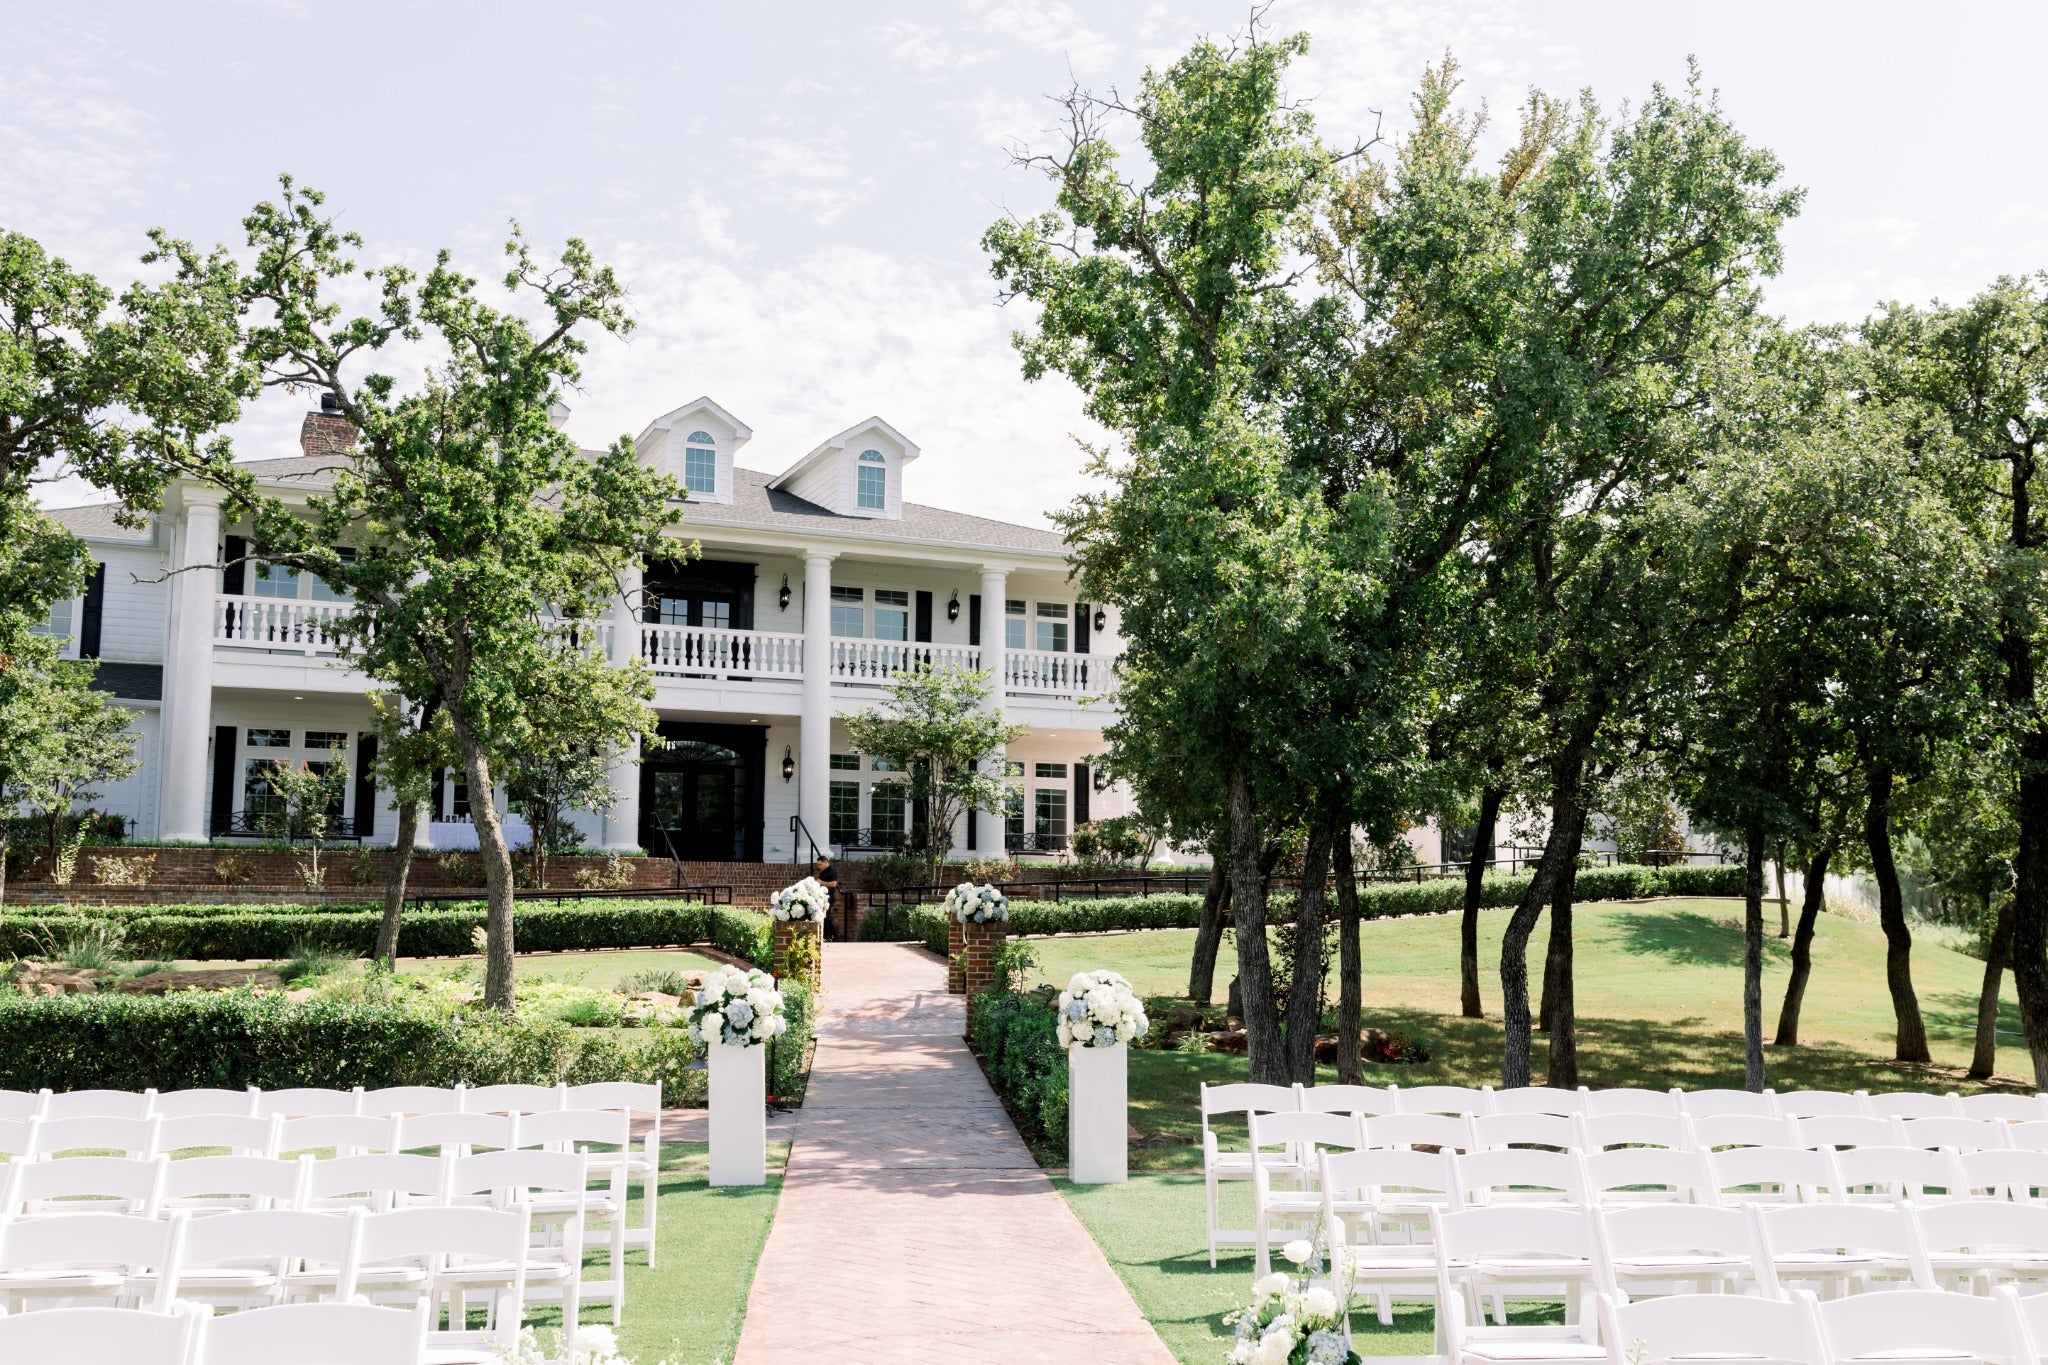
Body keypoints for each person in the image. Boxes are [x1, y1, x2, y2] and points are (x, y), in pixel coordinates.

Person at [813, 853, 841, 938]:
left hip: (829, 897)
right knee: (825, 916)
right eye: (818, 865)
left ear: (825, 862)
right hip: (822, 897)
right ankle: (831, 936)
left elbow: (833, 884)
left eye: (820, 864)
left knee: (826, 916)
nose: (819, 867)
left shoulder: (832, 871)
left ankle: (828, 936)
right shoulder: (823, 871)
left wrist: (822, 883)